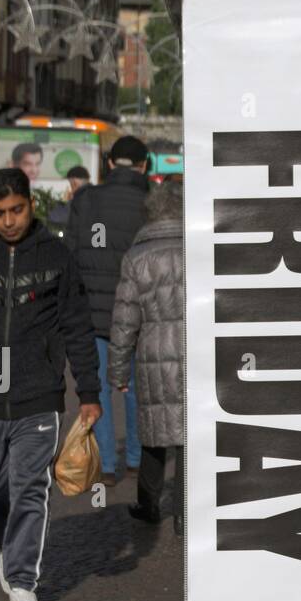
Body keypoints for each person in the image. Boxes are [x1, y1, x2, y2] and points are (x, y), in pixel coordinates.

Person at [0, 168, 101, 601]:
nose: (9, 220)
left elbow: (78, 326)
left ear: (31, 204)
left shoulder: (57, 256)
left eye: (17, 210)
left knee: (30, 486)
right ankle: (9, 544)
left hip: (39, 391)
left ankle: (24, 581)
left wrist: (88, 391)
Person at [64, 134, 149, 487]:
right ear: (145, 165)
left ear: (110, 164)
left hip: (94, 311)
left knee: (97, 388)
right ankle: (136, 460)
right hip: (140, 310)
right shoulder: (149, 201)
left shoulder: (86, 199)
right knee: (133, 385)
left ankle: (107, 465)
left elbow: (69, 253)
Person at [108, 179, 184, 536]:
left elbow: (125, 320)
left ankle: (149, 504)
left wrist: (118, 372)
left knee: (154, 435)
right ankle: (186, 511)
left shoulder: (137, 257)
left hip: (153, 352)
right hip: (195, 349)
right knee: (191, 437)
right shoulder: (198, 250)